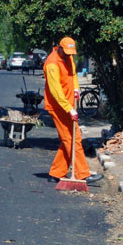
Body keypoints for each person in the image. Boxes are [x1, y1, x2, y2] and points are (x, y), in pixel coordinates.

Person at [44, 37, 103, 184]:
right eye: (67, 51)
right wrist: (68, 108)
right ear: (60, 48)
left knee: (70, 139)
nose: (70, 55)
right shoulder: (52, 64)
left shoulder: (68, 58)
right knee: (72, 140)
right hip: (58, 108)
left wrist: (76, 88)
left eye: (71, 52)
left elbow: (73, 74)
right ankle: (83, 174)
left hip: (68, 105)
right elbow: (55, 91)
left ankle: (56, 173)